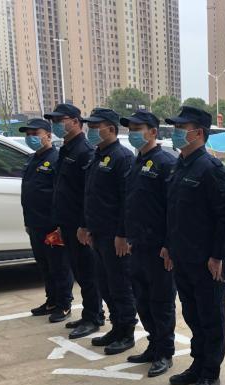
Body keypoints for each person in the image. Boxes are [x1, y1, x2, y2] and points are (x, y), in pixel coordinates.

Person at [163, 106, 225, 385]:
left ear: (198, 133)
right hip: (182, 256)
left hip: (205, 261)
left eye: (182, 128)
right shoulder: (180, 164)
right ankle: (197, 363)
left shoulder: (210, 168)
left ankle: (210, 371)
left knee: (210, 317)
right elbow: (173, 212)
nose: (176, 132)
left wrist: (217, 255)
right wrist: (168, 246)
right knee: (192, 314)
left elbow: (223, 217)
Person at [120, 109, 178, 377]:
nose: (133, 133)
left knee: (161, 302)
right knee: (142, 299)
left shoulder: (165, 162)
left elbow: (172, 209)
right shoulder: (136, 162)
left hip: (158, 247)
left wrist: (168, 243)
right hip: (138, 245)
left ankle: (165, 352)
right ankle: (153, 345)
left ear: (153, 132)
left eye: (138, 129)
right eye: (130, 129)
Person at [80, 108, 137, 356]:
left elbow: (127, 200)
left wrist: (123, 234)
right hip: (98, 233)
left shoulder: (122, 157)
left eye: (96, 127)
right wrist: (85, 226)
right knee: (105, 284)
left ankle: (127, 332)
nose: (91, 131)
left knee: (120, 285)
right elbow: (90, 195)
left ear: (111, 129)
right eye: (90, 127)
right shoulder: (97, 155)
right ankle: (116, 326)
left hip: (115, 236)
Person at [45, 103, 104, 339]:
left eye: (60, 120)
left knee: (87, 272)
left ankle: (94, 316)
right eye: (54, 121)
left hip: (79, 224)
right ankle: (89, 312)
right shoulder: (66, 149)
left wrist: (84, 225)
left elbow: (87, 193)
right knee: (79, 271)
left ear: (76, 122)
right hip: (67, 222)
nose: (56, 125)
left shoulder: (84, 150)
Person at [19, 117, 73, 322]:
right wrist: (27, 221)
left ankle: (64, 304)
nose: (30, 137)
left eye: (35, 134)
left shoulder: (57, 159)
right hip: (35, 223)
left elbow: (62, 193)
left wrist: (59, 224)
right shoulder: (32, 159)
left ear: (48, 136)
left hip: (51, 224)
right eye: (28, 134)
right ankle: (51, 301)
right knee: (44, 265)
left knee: (59, 266)